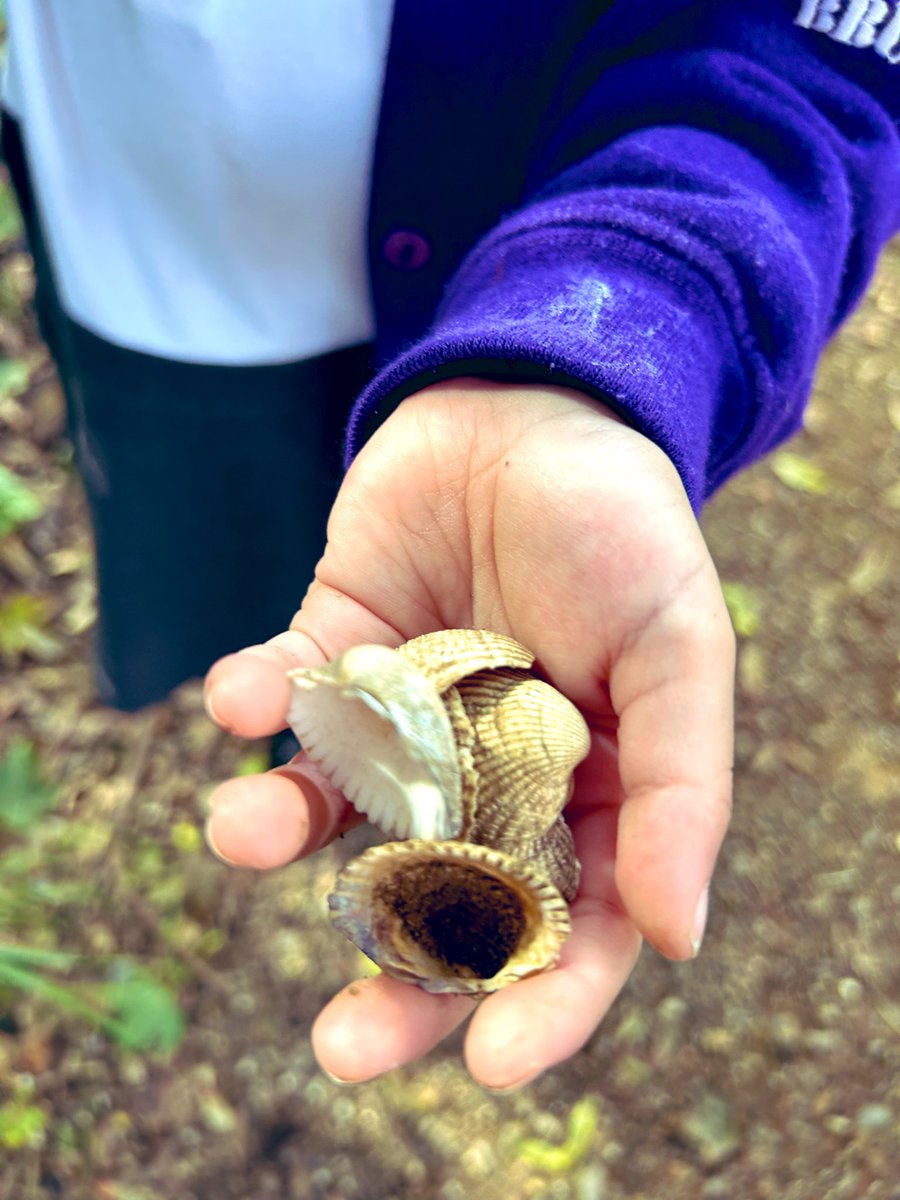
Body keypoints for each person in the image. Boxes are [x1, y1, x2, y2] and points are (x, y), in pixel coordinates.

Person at [4, 1, 898, 1091]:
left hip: (516, 241)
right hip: (149, 251)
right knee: (239, 588)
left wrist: (615, 320)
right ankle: (278, 732)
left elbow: (810, 56)